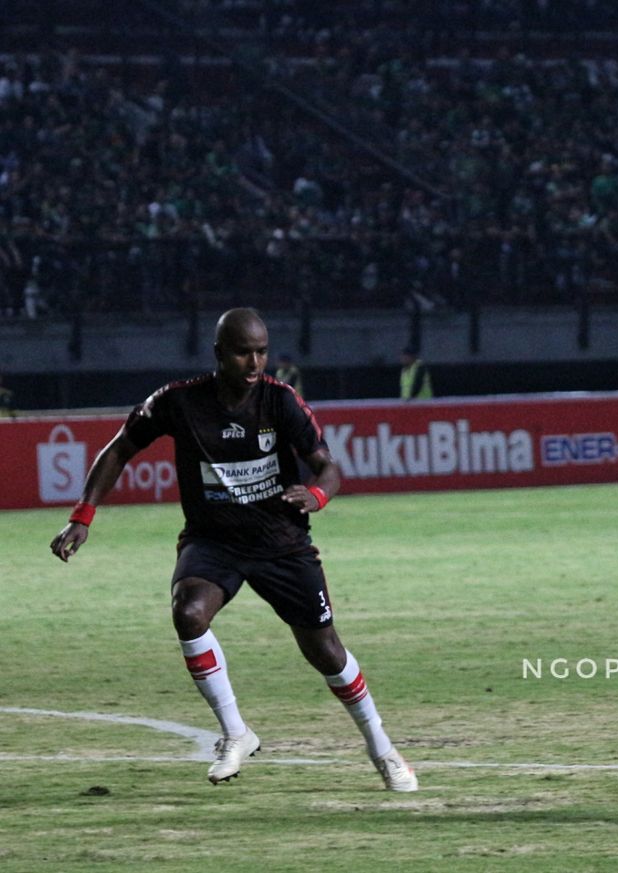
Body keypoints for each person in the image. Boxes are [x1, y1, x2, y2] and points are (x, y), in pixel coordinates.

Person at [49, 308, 419, 792]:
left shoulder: (280, 401)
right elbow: (120, 448)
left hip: (282, 544)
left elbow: (327, 466)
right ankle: (235, 732)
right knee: (188, 612)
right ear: (220, 353)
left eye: (262, 350)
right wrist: (83, 515)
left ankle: (382, 748)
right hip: (214, 542)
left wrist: (317, 495)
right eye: (245, 351)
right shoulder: (178, 402)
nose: (255, 361)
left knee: (325, 650)